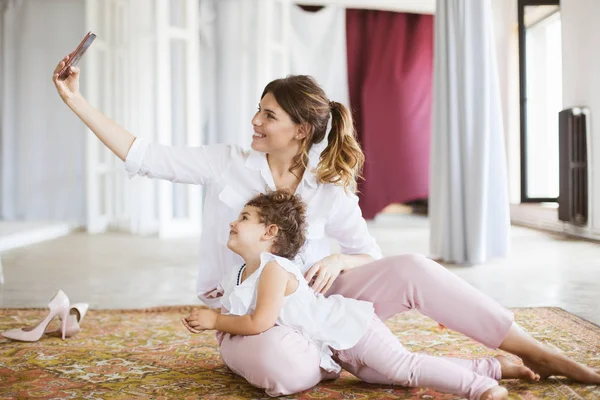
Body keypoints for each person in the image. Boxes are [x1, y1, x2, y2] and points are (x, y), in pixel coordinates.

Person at [53, 54, 600, 397]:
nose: (255, 122)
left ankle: (532, 350)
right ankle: (390, 360)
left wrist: (341, 259)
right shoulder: (226, 163)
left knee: (412, 267)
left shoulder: (327, 183)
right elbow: (145, 154)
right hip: (250, 316)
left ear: (302, 128)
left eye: (268, 114)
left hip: (319, 297)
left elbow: (369, 252)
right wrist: (75, 98)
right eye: (258, 110)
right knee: (284, 374)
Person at [182, 190, 542, 399]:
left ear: (269, 232)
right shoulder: (240, 273)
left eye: (244, 217)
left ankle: (479, 388)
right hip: (336, 347)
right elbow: (242, 310)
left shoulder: (274, 269)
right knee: (391, 376)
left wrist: (215, 319)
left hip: (351, 329)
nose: (233, 222)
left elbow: (259, 321)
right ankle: (493, 368)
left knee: (405, 366)